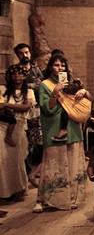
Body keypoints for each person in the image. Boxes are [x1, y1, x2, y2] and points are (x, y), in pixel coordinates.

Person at [34, 54, 88, 212]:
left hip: (73, 128)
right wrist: (55, 92)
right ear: (50, 67)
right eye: (57, 65)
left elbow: (85, 101)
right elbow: (47, 108)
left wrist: (83, 92)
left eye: (63, 65)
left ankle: (71, 198)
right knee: (53, 165)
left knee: (71, 165)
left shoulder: (70, 83)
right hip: (54, 129)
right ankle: (44, 200)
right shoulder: (45, 84)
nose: (60, 68)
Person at [0, 65, 34, 201]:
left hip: (19, 127)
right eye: (13, 74)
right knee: (2, 160)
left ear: (24, 76)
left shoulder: (29, 92)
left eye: (20, 74)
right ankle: (3, 192)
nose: (16, 77)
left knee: (16, 160)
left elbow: (26, 107)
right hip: (2, 126)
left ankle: (17, 190)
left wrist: (7, 105)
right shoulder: (3, 90)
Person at [14, 43, 44, 187]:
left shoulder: (36, 70)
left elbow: (42, 86)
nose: (25, 55)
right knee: (27, 144)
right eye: (21, 53)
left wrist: (32, 85)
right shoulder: (16, 70)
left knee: (39, 142)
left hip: (37, 109)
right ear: (18, 55)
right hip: (22, 111)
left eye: (26, 52)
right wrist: (33, 85)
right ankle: (27, 173)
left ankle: (36, 171)